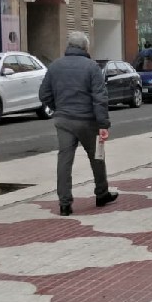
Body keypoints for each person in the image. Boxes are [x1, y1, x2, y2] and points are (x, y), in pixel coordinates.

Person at [39, 31, 118, 216]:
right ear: (85, 47)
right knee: (97, 157)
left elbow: (44, 94)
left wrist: (57, 108)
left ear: (69, 46)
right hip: (88, 121)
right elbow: (100, 98)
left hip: (64, 120)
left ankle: (64, 203)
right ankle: (102, 193)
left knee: (64, 161)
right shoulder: (92, 67)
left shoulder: (55, 66)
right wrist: (103, 124)